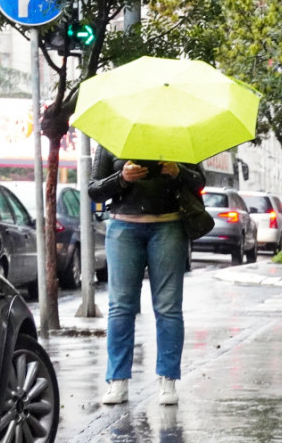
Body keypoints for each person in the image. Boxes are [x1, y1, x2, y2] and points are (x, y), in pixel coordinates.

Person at [88, 147, 206, 406]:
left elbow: (200, 181)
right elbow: (94, 189)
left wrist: (178, 170)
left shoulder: (176, 132)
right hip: (123, 228)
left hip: (169, 226)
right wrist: (122, 178)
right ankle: (117, 381)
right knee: (120, 306)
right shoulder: (112, 136)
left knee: (168, 307)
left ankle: (168, 380)